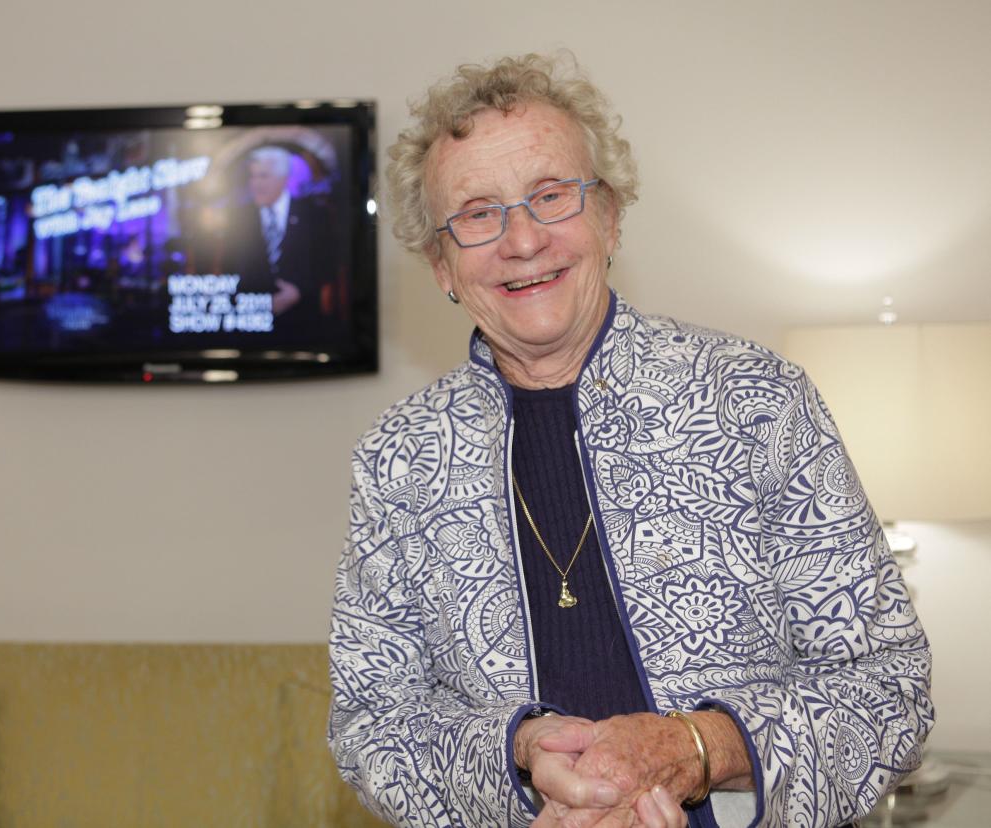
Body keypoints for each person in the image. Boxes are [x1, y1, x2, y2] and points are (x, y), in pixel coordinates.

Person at [327, 52, 933, 828]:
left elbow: (889, 686)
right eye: (478, 213)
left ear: (609, 217)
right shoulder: (397, 460)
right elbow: (371, 724)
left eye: (551, 195)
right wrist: (519, 752)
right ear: (443, 264)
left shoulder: (755, 400)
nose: (521, 240)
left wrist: (697, 747)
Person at [221, 145, 333, 325]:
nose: (255, 183)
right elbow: (229, 271)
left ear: (283, 178)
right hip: (250, 323)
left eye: (263, 176)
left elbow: (328, 267)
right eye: (253, 176)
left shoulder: (313, 214)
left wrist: (298, 293)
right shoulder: (239, 216)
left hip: (305, 323)